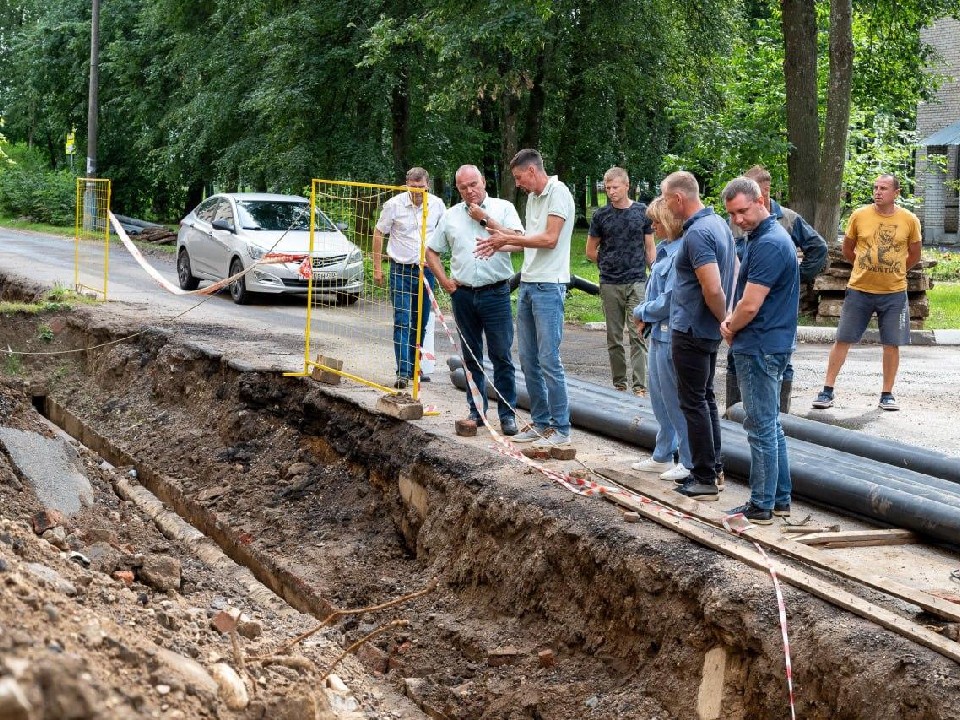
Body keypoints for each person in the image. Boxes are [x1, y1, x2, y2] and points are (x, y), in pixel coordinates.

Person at [477, 149, 575, 447]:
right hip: (530, 284)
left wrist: (507, 237)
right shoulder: (534, 198)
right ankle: (541, 422)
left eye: (519, 178)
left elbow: (549, 239)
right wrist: (496, 235)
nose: (518, 184)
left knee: (548, 359)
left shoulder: (558, 193)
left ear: (532, 171)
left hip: (549, 285)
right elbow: (525, 241)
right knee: (529, 359)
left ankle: (561, 428)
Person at [720, 177, 800, 524]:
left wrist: (730, 325)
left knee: (760, 427)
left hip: (760, 345)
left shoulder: (768, 242)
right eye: (732, 214)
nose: (737, 219)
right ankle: (779, 498)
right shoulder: (761, 237)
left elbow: (750, 305)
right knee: (771, 425)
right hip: (769, 343)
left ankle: (761, 505)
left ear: (760, 200)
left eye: (742, 211)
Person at [425, 165, 524, 436]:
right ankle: (476, 410)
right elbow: (431, 252)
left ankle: (507, 414)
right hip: (464, 294)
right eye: (463, 188)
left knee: (501, 354)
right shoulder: (450, 216)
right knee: (470, 356)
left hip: (496, 292)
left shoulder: (503, 207)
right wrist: (445, 282)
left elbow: (519, 242)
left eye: (473, 184)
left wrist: (486, 220)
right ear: (457, 189)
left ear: (483, 181)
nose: (470, 191)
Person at [812, 174, 922, 411]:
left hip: (894, 292)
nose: (878, 192)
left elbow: (914, 254)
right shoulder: (859, 216)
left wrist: (896, 270)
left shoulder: (909, 220)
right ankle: (827, 390)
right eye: (875, 188)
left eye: (883, 188)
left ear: (896, 193)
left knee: (892, 344)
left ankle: (887, 394)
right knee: (843, 338)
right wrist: (865, 266)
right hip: (860, 290)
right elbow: (848, 249)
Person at [725, 165, 828, 412]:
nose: (738, 217)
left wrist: (795, 278)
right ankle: (735, 415)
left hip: (776, 307)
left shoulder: (787, 221)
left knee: (779, 361)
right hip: (747, 303)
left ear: (763, 192)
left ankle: (780, 415)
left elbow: (819, 249)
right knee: (736, 359)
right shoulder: (739, 222)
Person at [660, 171, 736, 500]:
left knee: (693, 402)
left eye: (665, 198)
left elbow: (712, 286)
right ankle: (714, 468)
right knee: (705, 399)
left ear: (679, 198)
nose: (664, 206)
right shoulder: (718, 224)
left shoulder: (697, 234)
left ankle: (703, 477)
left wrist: (725, 319)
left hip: (692, 328)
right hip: (703, 329)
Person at [630, 196, 692, 483]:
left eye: (656, 221)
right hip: (657, 331)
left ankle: (689, 460)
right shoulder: (666, 249)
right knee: (658, 398)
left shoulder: (682, 251)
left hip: (670, 333)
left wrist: (642, 311)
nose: (652, 226)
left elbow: (670, 299)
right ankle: (663, 453)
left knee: (674, 399)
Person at [372, 167, 445, 389]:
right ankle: (402, 371)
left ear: (427, 186)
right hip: (401, 269)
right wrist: (377, 268)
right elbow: (378, 233)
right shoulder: (394, 205)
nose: (416, 192)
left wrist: (437, 260)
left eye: (421, 188)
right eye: (412, 188)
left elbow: (444, 234)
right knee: (402, 320)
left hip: (426, 270)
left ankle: (415, 366)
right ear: (406, 185)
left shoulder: (437, 205)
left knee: (421, 321)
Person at [586, 167, 656, 396]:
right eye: (607, 188)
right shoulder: (600, 215)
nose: (611, 192)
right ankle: (619, 383)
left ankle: (640, 385)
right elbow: (590, 250)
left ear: (627, 186)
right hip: (610, 282)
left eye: (615, 187)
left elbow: (649, 248)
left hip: (636, 280)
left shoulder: (642, 212)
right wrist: (607, 263)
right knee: (614, 336)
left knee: (638, 334)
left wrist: (653, 272)